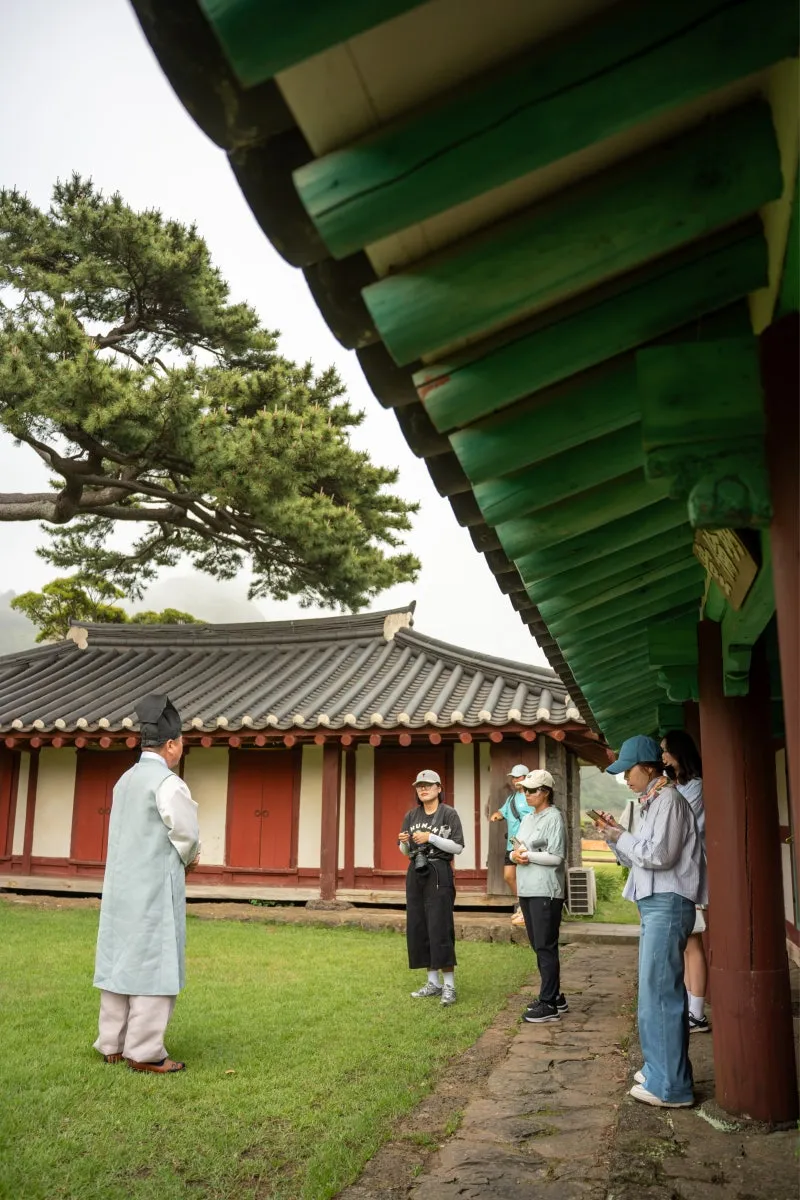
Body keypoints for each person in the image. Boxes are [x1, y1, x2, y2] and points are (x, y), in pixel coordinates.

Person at [592, 735, 706, 1109]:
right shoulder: (653, 801)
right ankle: (660, 1070)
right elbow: (637, 858)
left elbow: (659, 855)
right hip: (656, 903)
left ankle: (671, 1087)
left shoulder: (668, 800)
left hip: (668, 904)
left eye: (628, 771)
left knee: (660, 995)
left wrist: (622, 836)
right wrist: (614, 837)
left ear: (646, 767)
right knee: (653, 994)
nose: (625, 778)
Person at [93, 693, 200, 1073]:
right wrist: (191, 859)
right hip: (153, 886)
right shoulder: (169, 783)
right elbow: (187, 835)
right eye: (181, 742)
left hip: (121, 886)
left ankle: (112, 1042)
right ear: (170, 744)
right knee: (155, 961)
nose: (181, 748)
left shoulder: (125, 780)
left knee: (120, 958)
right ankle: (144, 1050)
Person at [399, 769, 464, 1007]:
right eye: (419, 786)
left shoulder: (449, 813)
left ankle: (449, 986)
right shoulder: (411, 815)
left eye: (428, 785)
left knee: (440, 926)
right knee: (420, 926)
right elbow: (405, 852)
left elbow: (458, 847)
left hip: (439, 871)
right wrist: (404, 843)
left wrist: (431, 838)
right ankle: (432, 983)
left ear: (439, 788)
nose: (423, 789)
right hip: (416, 872)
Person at [510, 769, 568, 1024]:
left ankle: (548, 1003)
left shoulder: (554, 818)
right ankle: (555, 996)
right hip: (527, 888)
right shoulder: (527, 818)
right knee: (538, 946)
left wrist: (528, 856)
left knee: (545, 946)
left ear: (546, 792)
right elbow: (516, 847)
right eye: (525, 790)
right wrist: (515, 855)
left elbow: (556, 857)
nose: (527, 794)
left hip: (546, 890)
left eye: (532, 790)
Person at [661, 730, 709, 1034]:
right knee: (686, 943)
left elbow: (678, 825)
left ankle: (697, 1013)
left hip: (691, 868)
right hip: (679, 871)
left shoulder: (695, 787)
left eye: (666, 750)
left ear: (679, 752)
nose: (663, 756)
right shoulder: (677, 786)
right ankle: (692, 1009)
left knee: (692, 941)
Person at [490, 763, 532, 926]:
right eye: (513, 778)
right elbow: (503, 812)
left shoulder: (531, 797)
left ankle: (526, 911)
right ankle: (523, 904)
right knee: (509, 876)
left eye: (518, 777)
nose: (515, 780)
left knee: (525, 878)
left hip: (525, 844)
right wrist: (497, 815)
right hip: (512, 844)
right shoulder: (512, 798)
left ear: (526, 778)